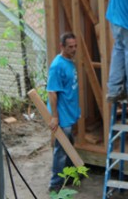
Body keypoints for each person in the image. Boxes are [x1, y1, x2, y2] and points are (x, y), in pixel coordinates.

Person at [47, 32, 80, 193]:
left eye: (75, 46)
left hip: (70, 113)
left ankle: (69, 175)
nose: (73, 50)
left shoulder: (69, 61)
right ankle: (55, 184)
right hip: (62, 115)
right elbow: (52, 92)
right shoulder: (57, 66)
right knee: (61, 151)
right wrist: (55, 117)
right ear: (62, 47)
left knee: (69, 145)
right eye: (70, 47)